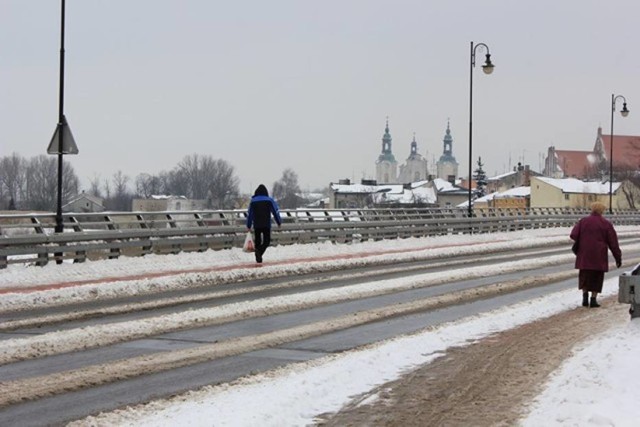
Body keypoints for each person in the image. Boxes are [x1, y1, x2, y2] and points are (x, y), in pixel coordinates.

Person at [570, 202, 622, 308]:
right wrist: (618, 257)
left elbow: (573, 235)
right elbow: (613, 243)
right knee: (597, 277)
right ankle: (593, 299)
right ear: (602, 211)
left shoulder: (583, 221)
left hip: (584, 254)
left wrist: (584, 240)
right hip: (599, 255)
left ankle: (585, 297)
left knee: (584, 275)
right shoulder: (606, 224)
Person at [246, 184, 282, 263]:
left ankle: (258, 258)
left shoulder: (253, 201)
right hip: (266, 224)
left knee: (258, 242)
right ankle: (259, 253)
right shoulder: (269, 200)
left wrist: (248, 225)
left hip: (257, 225)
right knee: (266, 241)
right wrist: (279, 222)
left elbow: (250, 214)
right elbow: (275, 212)